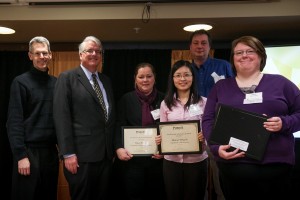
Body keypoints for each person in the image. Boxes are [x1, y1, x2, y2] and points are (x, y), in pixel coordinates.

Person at [202, 35, 300, 200]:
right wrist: (215, 148)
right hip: (234, 168)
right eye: (238, 52)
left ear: (261, 56)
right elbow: (208, 120)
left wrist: (284, 123)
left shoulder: (280, 83)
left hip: (275, 167)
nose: (244, 55)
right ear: (233, 59)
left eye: (250, 51)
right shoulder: (221, 87)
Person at [53, 36, 116, 200]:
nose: (94, 54)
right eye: (90, 50)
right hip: (80, 157)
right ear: (80, 54)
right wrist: (67, 153)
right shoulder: (67, 78)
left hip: (105, 157)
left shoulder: (106, 80)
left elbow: (108, 118)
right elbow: (61, 117)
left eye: (98, 51)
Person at [6, 36, 59, 200]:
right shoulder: (20, 82)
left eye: (45, 53)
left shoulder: (57, 83)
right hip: (28, 153)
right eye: (37, 54)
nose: (42, 57)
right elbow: (14, 122)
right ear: (30, 56)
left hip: (50, 153)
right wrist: (21, 156)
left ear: (50, 55)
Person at [189, 29, 233, 200]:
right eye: (196, 43)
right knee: (198, 180)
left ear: (210, 46)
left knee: (221, 178)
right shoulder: (185, 70)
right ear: (190, 47)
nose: (200, 47)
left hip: (219, 128)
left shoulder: (224, 66)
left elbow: (234, 92)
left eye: (204, 43)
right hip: (194, 129)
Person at [156, 60, 208, 200]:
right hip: (171, 162)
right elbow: (163, 130)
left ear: (193, 77)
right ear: (172, 79)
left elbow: (210, 130)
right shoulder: (165, 104)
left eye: (187, 75)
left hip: (197, 161)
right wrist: (160, 140)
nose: (182, 79)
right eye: (178, 75)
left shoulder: (204, 102)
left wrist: (205, 137)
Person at [114, 62, 166, 200]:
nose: (145, 80)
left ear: (154, 78)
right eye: (141, 76)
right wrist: (119, 148)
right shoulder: (126, 99)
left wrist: (165, 149)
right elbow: (118, 125)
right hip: (132, 161)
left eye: (149, 76)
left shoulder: (164, 99)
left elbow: (169, 127)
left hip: (157, 161)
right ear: (135, 79)